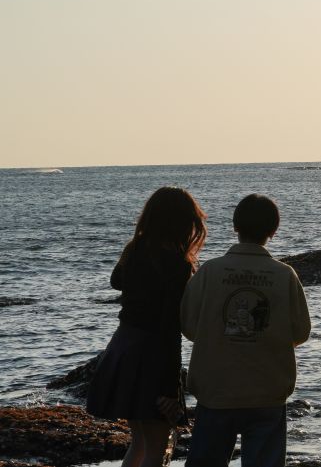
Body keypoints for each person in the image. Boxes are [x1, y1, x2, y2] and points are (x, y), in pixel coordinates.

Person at [181, 194, 311, 467]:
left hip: (216, 390)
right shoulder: (284, 275)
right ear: (273, 230)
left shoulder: (209, 271)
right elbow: (300, 332)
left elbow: (189, 326)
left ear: (235, 227)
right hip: (268, 389)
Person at [86, 186, 208, 467]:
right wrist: (170, 389)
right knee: (155, 448)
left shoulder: (136, 250)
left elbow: (116, 281)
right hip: (151, 357)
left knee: (140, 443)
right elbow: (169, 330)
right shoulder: (176, 264)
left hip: (122, 349)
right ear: (183, 223)